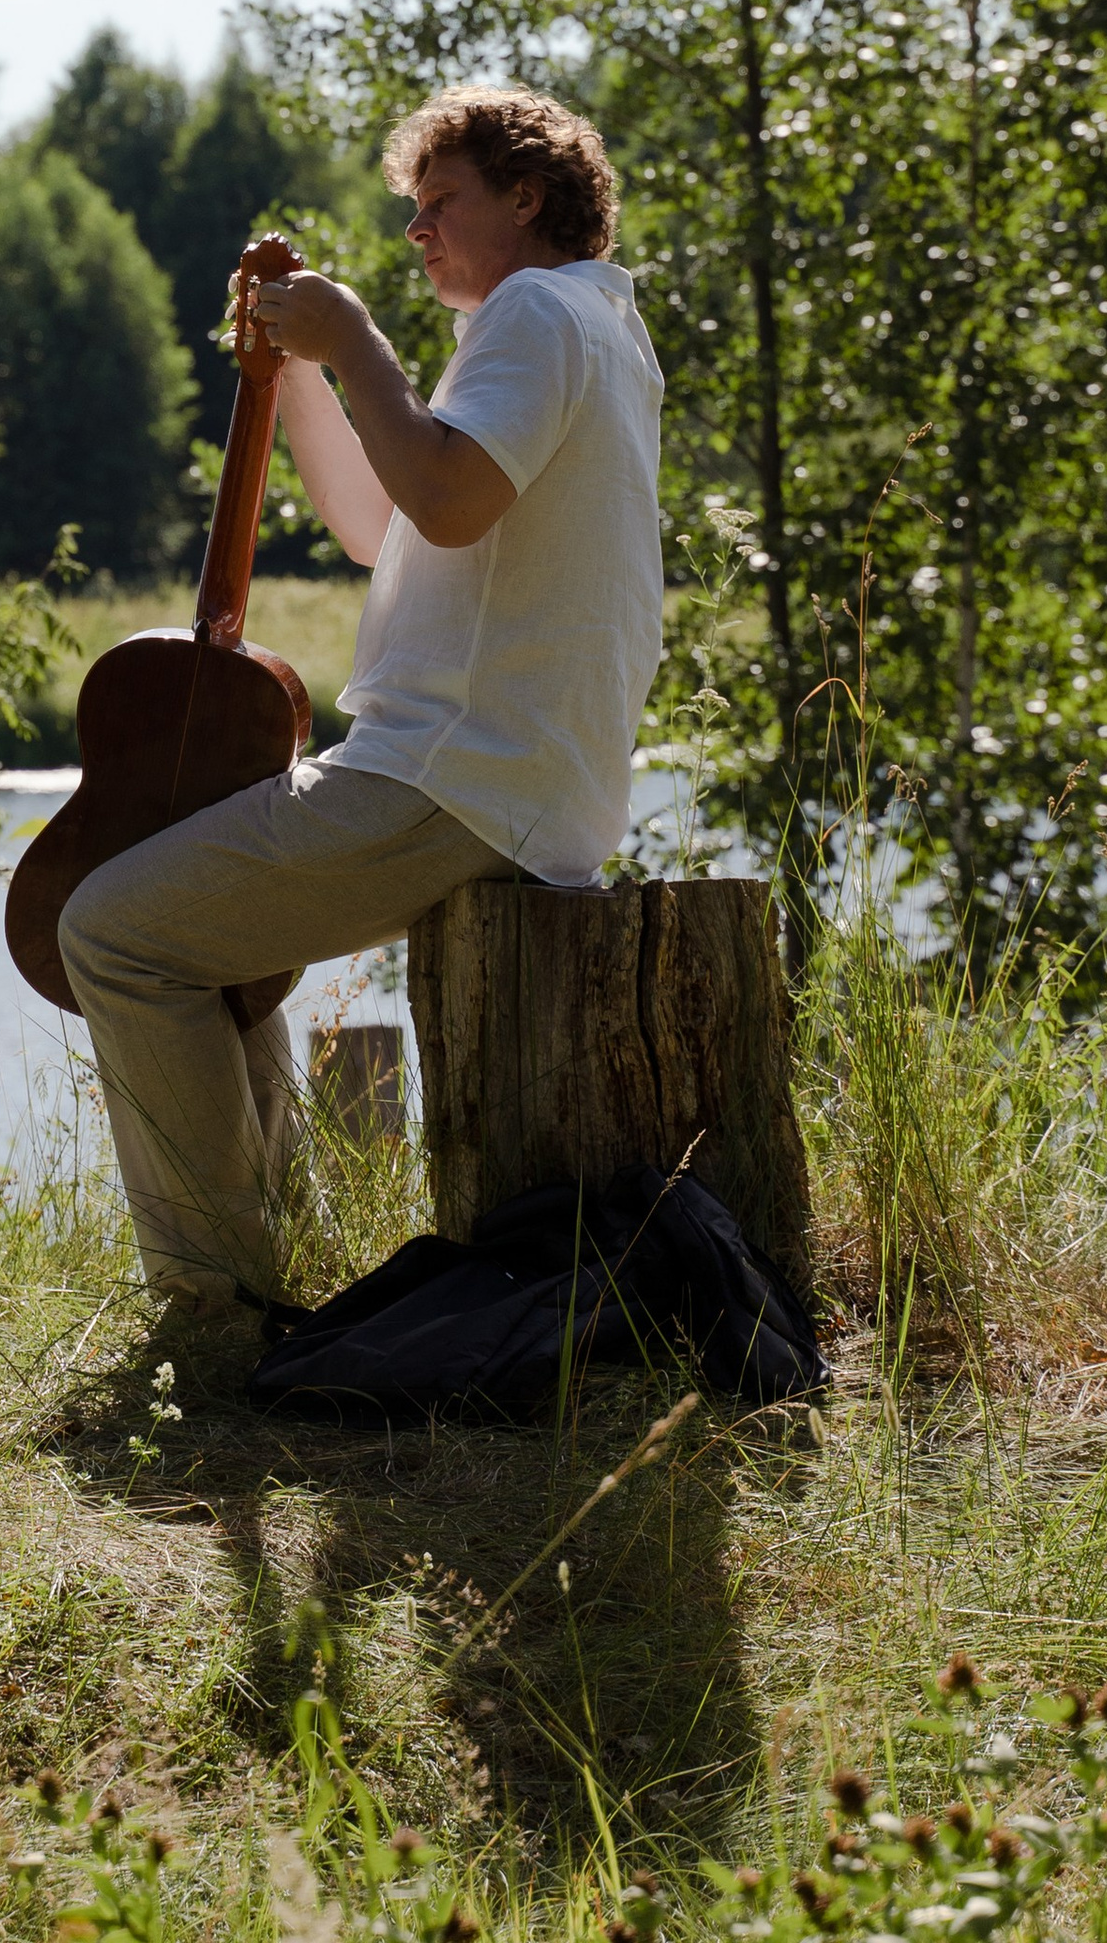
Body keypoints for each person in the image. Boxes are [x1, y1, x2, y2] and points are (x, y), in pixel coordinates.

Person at [56, 83, 667, 1312]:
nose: (416, 230)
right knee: (197, 946)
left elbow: (440, 498)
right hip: (500, 778)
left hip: (451, 772)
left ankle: (216, 1303)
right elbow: (382, 518)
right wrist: (291, 374)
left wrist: (357, 345)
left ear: (527, 198)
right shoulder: (588, 324)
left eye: (439, 201)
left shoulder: (538, 310)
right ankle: (257, 1271)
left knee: (113, 932)